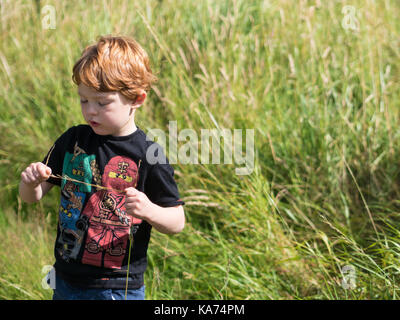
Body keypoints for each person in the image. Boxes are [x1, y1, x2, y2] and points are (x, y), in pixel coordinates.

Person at [19, 35, 185, 300]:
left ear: (137, 99)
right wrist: (29, 183)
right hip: (64, 280)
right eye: (84, 100)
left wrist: (149, 210)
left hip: (118, 287)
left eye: (102, 102)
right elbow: (32, 198)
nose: (90, 111)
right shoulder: (73, 140)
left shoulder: (149, 155)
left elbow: (177, 222)